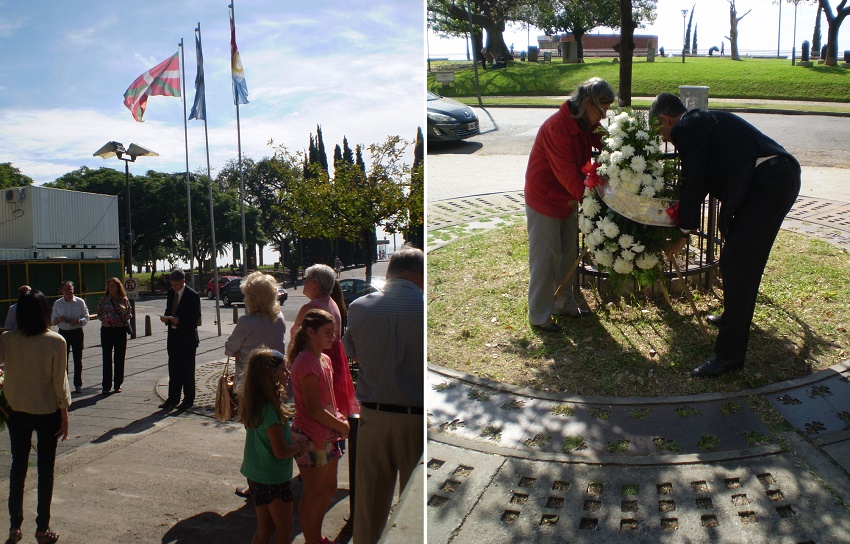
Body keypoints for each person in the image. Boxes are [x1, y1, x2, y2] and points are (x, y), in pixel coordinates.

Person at [649, 92, 801, 377]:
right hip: (778, 176)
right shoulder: (700, 122)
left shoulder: (686, 126)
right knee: (739, 260)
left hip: (769, 179)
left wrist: (682, 233)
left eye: (662, 134)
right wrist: (685, 225)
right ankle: (733, 318)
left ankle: (728, 355)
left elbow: (693, 181)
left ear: (664, 119)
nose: (668, 141)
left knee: (739, 263)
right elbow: (704, 180)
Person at [343, 247, 424, 544]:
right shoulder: (425, 306)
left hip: (373, 417)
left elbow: (351, 352)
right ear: (420, 274)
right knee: (415, 511)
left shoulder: (360, 307)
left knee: (369, 509)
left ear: (389, 273)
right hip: (416, 419)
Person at [524, 77, 614, 332]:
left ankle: (564, 302)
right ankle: (539, 315)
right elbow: (567, 175)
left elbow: (606, 143)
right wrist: (597, 205)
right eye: (602, 110)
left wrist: (621, 147)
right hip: (545, 198)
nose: (603, 117)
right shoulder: (557, 128)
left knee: (567, 253)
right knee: (545, 257)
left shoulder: (585, 123)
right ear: (587, 103)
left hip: (568, 199)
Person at [1, 289, 71, 544]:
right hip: (48, 411)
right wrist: (65, 413)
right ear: (45, 312)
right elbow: (59, 383)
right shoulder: (56, 341)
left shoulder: (8, 339)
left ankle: (14, 527)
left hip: (17, 411)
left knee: (18, 467)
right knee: (45, 470)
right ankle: (42, 528)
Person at [287, 309, 350, 544]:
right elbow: (313, 409)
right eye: (326, 332)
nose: (332, 336)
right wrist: (342, 427)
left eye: (333, 332)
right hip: (311, 437)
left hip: (328, 434)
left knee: (329, 487)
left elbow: (328, 400)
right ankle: (312, 539)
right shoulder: (305, 362)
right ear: (310, 332)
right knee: (313, 494)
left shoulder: (324, 359)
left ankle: (316, 535)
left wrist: (339, 419)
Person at [238, 348, 303, 544]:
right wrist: (300, 446)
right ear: (271, 376)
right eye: (284, 370)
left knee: (265, 528)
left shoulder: (255, 403)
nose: (288, 374)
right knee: (285, 530)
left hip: (256, 475)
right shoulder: (272, 410)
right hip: (273, 478)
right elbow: (281, 451)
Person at [292, 264, 358, 421]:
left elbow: (296, 336)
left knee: (317, 407)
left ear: (315, 283)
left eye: (306, 279)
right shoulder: (332, 302)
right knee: (334, 405)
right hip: (335, 360)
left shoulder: (310, 307)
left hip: (315, 361)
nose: (304, 283)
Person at [225, 272, 287, 387]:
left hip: (250, 380)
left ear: (251, 299)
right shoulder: (280, 317)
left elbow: (229, 350)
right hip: (275, 378)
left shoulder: (246, 321)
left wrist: (238, 351)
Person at [159, 269, 201, 410]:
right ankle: (173, 398)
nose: (175, 286)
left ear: (183, 281)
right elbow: (169, 310)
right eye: (173, 284)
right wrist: (167, 318)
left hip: (187, 338)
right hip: (173, 337)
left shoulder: (192, 295)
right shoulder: (171, 293)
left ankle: (188, 400)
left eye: (177, 284)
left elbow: (195, 318)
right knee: (174, 370)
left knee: (187, 371)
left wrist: (179, 320)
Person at [51, 281, 89, 393]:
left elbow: (86, 317)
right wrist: (58, 320)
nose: (68, 291)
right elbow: (52, 321)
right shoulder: (58, 303)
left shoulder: (79, 302)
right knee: (63, 360)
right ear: (61, 291)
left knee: (78, 360)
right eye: (66, 289)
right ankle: (64, 384)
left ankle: (78, 384)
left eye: (70, 289)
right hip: (63, 333)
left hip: (77, 332)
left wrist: (78, 321)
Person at [97, 278, 131, 395]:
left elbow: (128, 314)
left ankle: (118, 384)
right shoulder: (104, 300)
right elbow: (99, 314)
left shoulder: (123, 299)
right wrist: (107, 320)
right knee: (106, 358)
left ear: (118, 287)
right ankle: (106, 385)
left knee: (119, 357)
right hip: (106, 330)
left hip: (120, 330)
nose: (111, 288)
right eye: (109, 285)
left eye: (113, 285)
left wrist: (119, 320)